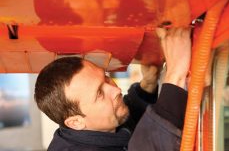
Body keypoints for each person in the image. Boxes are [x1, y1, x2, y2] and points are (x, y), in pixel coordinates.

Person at [34, 27, 191, 151]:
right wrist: (175, 73)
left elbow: (122, 117)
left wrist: (147, 85)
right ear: (76, 122)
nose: (115, 90)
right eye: (100, 93)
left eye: (106, 78)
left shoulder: (97, 124)